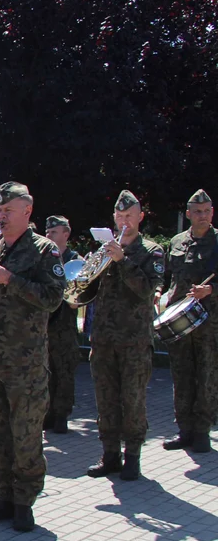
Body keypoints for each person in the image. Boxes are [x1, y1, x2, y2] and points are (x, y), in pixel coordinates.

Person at [0, 182, 65, 532]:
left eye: (8, 210)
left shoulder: (45, 250)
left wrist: (12, 280)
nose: (2, 216)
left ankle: (24, 502)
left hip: (25, 361)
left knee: (24, 434)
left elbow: (54, 298)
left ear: (28, 210)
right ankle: (1, 498)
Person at [84, 191, 164, 480]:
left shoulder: (152, 251)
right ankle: (109, 455)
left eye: (129, 216)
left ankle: (133, 457)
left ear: (140, 217)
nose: (124, 222)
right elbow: (85, 289)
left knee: (132, 400)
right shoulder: (106, 249)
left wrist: (122, 261)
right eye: (119, 217)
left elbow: (146, 291)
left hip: (134, 340)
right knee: (105, 399)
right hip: (103, 338)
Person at [161, 189, 218, 453]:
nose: (203, 216)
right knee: (181, 376)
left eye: (207, 211)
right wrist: (161, 294)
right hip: (180, 322)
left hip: (209, 322)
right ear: (188, 214)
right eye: (197, 211)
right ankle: (184, 430)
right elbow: (169, 276)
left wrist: (212, 290)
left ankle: (202, 432)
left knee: (206, 376)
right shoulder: (176, 242)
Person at [43, 215, 80, 434]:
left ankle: (62, 414)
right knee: (45, 371)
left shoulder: (74, 259)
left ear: (66, 234)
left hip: (64, 324)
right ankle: (47, 412)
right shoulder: (44, 256)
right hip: (45, 322)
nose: (49, 235)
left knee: (64, 370)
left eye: (54, 232)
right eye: (47, 232)